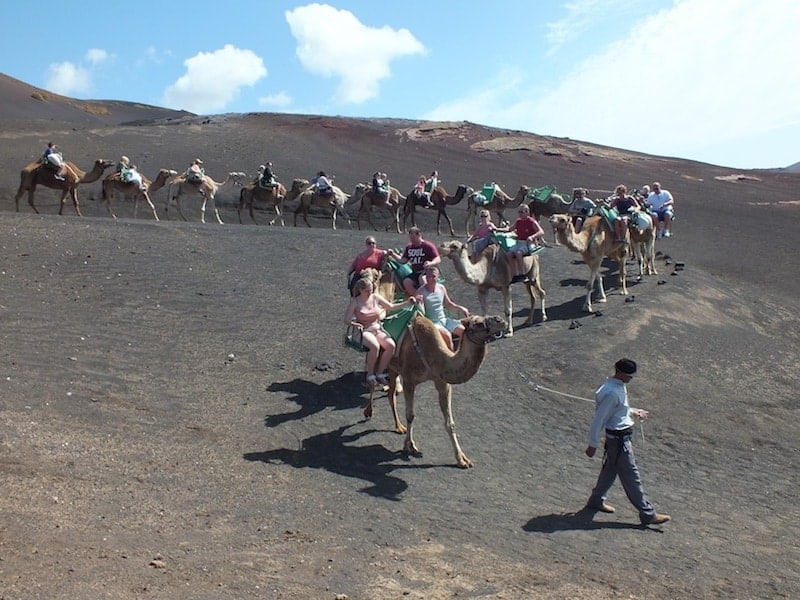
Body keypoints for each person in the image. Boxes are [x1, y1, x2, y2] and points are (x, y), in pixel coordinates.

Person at [584, 358, 671, 526]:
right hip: (619, 441)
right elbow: (600, 419)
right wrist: (592, 445)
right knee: (632, 477)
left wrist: (632, 411)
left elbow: (617, 409)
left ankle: (596, 500)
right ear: (622, 374)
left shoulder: (614, 387)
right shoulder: (612, 392)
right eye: (630, 376)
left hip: (617, 440)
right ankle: (647, 513)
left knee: (610, 470)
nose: (632, 379)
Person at [344, 278, 417, 388]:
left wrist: (406, 303)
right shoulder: (355, 302)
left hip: (377, 328)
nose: (370, 292)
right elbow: (347, 320)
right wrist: (355, 324)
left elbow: (391, 307)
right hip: (364, 330)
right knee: (375, 346)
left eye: (371, 289)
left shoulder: (375, 297)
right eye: (367, 290)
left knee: (391, 345)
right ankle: (370, 375)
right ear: (361, 290)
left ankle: (380, 372)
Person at [416, 265, 469, 351]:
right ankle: (451, 358)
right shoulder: (421, 292)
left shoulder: (441, 288)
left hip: (444, 320)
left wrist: (461, 308)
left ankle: (461, 353)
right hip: (433, 323)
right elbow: (419, 312)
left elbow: (448, 304)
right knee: (447, 335)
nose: (431, 279)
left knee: (463, 331)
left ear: (438, 277)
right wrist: (419, 302)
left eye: (433, 276)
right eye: (428, 276)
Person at [386, 226, 441, 297]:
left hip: (427, 271)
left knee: (422, 278)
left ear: (419, 235)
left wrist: (431, 263)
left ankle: (430, 298)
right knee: (406, 282)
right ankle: (418, 298)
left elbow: (438, 258)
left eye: (413, 238)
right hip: (415, 272)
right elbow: (403, 260)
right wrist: (393, 254)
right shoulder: (409, 247)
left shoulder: (428, 246)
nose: (412, 240)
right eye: (411, 238)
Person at [506, 204, 544, 280]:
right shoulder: (518, 221)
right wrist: (497, 229)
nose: (520, 214)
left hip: (528, 243)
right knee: (509, 254)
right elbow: (510, 229)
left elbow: (541, 231)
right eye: (519, 212)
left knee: (518, 253)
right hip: (519, 242)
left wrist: (532, 237)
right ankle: (514, 273)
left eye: (521, 212)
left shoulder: (531, 221)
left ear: (527, 212)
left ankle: (523, 274)